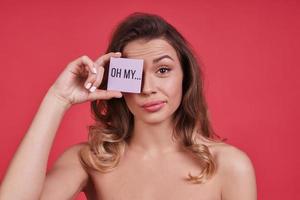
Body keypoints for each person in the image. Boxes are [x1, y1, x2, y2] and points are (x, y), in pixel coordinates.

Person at [0, 12, 257, 200]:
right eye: (136, 75)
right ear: (119, 82)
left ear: (185, 77)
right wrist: (58, 99)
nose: (148, 88)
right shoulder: (91, 160)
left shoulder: (230, 166)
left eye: (163, 70)